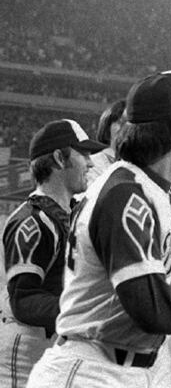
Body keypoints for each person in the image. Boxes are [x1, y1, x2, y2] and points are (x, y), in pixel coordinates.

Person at [26, 70, 171, 388]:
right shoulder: (125, 196)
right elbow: (152, 308)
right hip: (93, 372)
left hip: (119, 367)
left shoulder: (139, 185)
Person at [0, 119, 104, 387]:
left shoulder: (73, 214)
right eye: (83, 154)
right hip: (27, 348)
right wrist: (89, 312)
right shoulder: (31, 220)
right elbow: (23, 300)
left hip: (58, 346)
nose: (91, 163)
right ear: (59, 158)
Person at [87, 99, 125, 185]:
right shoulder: (93, 164)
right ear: (108, 126)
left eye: (128, 123)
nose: (124, 128)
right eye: (120, 122)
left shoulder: (142, 166)